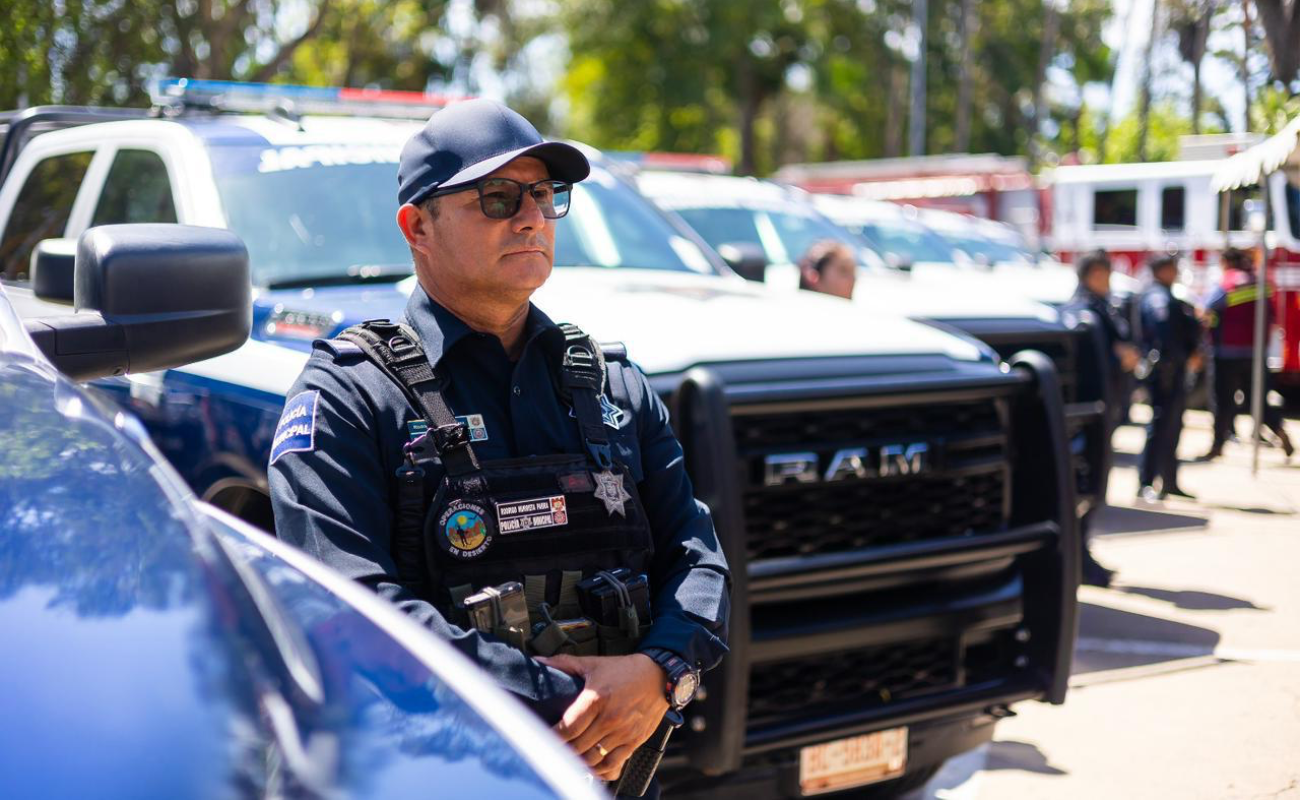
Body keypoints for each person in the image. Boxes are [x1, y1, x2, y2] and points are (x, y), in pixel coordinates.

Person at [268, 99, 730, 791]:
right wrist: (566, 702)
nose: (532, 218)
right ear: (417, 226)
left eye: (544, 195)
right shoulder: (349, 397)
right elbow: (345, 609)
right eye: (497, 197)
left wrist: (661, 673)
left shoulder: (612, 386)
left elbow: (698, 555)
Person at [1064, 250, 1140, 586]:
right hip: (1091, 412)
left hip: (1096, 411)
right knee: (1087, 487)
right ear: (1094, 273)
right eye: (1105, 274)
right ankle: (1079, 560)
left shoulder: (1090, 308)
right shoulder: (1086, 312)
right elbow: (1107, 358)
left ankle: (1081, 556)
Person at [1199, 247, 1294, 460]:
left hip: (1225, 353)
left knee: (1223, 401)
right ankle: (1280, 432)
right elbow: (1270, 314)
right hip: (1255, 353)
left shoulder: (1227, 283)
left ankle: (1217, 446)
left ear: (1226, 262)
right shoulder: (1260, 284)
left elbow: (1207, 310)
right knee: (1257, 400)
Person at [1137, 254, 1203, 502]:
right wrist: (1182, 356)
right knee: (1161, 426)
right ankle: (1147, 481)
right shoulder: (1157, 296)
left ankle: (1169, 480)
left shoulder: (1164, 293)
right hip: (1166, 371)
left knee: (1173, 426)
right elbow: (1164, 327)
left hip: (1172, 369)